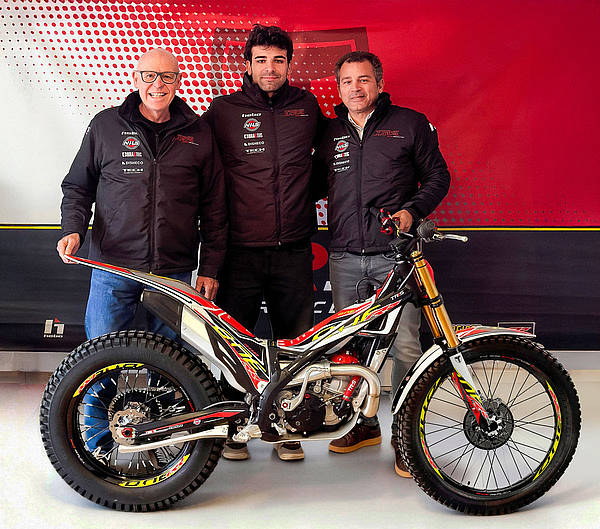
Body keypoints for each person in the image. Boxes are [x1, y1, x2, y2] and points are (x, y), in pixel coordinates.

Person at [57, 48, 227, 452]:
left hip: (172, 272)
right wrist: (73, 229)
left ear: (179, 81)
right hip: (113, 267)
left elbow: (215, 208)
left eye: (166, 77)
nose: (157, 85)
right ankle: (97, 441)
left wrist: (210, 267)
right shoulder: (106, 125)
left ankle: (160, 438)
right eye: (149, 75)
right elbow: (78, 187)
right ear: (136, 79)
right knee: (100, 357)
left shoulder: (199, 132)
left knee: (169, 361)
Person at [314, 51, 451, 476]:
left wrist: (412, 210)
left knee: (406, 346)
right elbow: (311, 184)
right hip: (344, 256)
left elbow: (439, 177)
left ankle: (405, 434)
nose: (355, 88)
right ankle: (363, 425)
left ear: (379, 83)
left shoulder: (410, 124)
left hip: (397, 256)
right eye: (347, 81)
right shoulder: (329, 132)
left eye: (363, 80)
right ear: (338, 88)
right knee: (350, 348)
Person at [203, 25, 325, 462]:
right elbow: (202, 172)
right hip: (240, 252)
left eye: (278, 60)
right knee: (236, 346)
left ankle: (287, 427)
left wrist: (302, 198)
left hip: (294, 250)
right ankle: (235, 426)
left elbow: (331, 161)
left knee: (295, 343)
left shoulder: (306, 106)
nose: (269, 68)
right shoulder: (223, 111)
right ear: (248, 64)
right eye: (261, 60)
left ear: (289, 64)